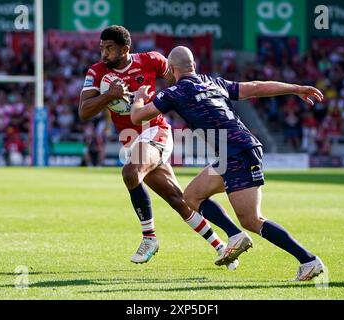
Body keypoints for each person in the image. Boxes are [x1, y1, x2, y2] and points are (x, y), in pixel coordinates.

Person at [130, 46, 326, 281]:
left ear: (172, 69)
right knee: (191, 196)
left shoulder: (174, 93)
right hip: (236, 151)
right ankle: (234, 235)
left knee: (252, 220)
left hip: (237, 153)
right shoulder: (215, 83)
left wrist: (139, 99)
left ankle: (308, 261)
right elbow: (255, 87)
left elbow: (136, 117)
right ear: (194, 65)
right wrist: (295, 88)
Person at [79, 26, 245, 268]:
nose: (104, 53)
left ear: (125, 49)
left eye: (109, 48)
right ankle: (224, 245)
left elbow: (179, 81)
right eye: (102, 48)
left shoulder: (151, 61)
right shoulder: (96, 72)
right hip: (132, 140)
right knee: (179, 200)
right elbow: (84, 111)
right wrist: (109, 95)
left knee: (130, 172)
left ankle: (149, 238)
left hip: (156, 131)